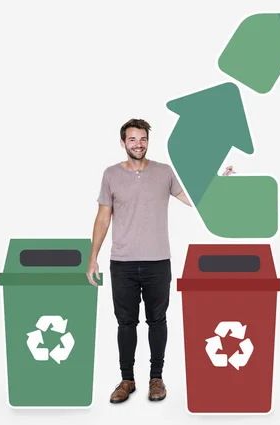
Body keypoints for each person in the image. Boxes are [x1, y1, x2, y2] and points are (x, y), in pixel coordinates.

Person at [86, 118, 234, 404]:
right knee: (126, 323)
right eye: (132, 139)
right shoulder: (110, 175)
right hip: (123, 262)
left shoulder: (164, 172)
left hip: (157, 261)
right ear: (123, 143)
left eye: (142, 139)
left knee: (157, 320)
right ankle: (127, 379)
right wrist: (93, 258)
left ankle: (157, 378)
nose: (138, 144)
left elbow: (193, 198)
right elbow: (103, 217)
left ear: (147, 141)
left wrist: (218, 180)